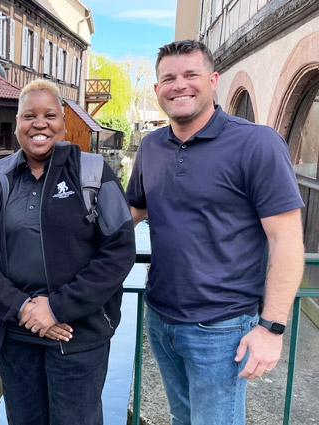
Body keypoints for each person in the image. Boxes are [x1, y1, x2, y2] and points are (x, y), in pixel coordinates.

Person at [126, 40, 305, 425]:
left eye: (191, 75)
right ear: (157, 90)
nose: (180, 85)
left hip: (222, 328)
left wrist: (271, 328)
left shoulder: (256, 144)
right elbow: (132, 214)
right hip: (161, 316)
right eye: (168, 78)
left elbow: (287, 240)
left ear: (213, 80)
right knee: (182, 418)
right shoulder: (151, 147)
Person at [0, 79, 135, 425]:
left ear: (63, 121)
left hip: (77, 336)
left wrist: (56, 308)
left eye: (49, 114)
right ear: (17, 126)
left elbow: (119, 250)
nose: (39, 123)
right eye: (29, 115)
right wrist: (24, 308)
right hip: (15, 333)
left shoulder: (93, 174)